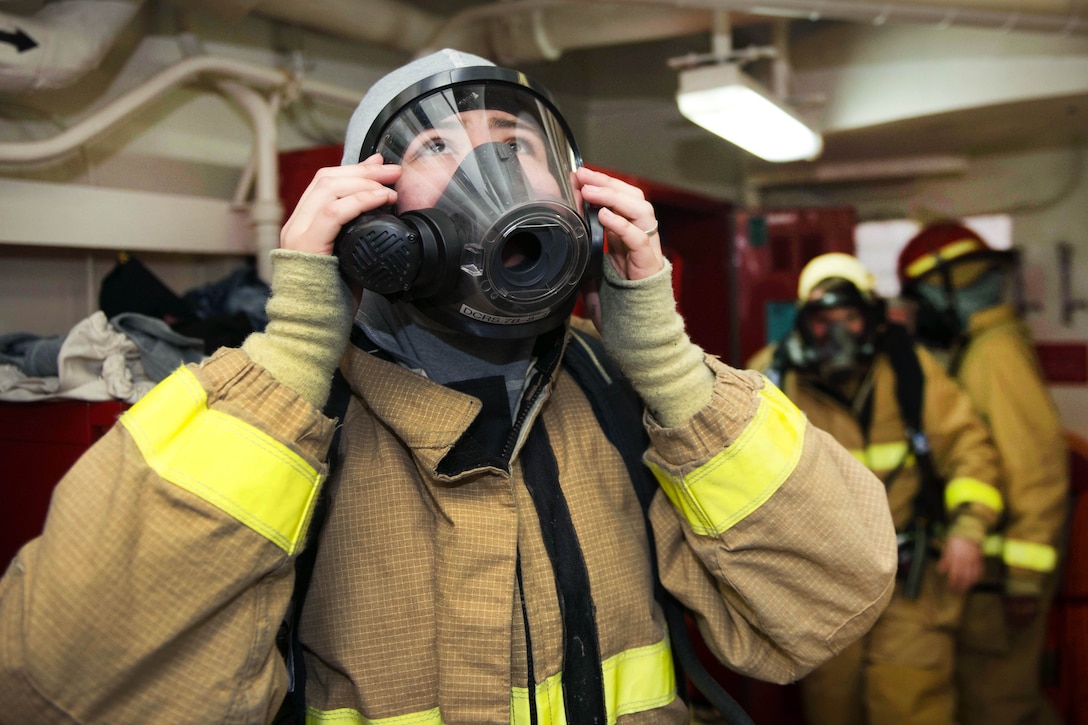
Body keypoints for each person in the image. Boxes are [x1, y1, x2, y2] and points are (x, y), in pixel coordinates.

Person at [0, 50, 898, 724]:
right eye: (434, 145)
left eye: (515, 142)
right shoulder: (276, 420)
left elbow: (834, 594)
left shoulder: (620, 396)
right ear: (369, 214)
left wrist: (663, 358)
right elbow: (67, 680)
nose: (490, 174)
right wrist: (294, 356)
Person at [749, 252, 1005, 725]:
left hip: (908, 583)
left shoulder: (910, 370)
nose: (839, 331)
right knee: (832, 707)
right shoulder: (772, 379)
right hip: (822, 589)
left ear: (871, 318)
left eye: (849, 316)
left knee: (909, 703)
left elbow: (969, 448)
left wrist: (970, 528)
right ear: (803, 322)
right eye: (824, 320)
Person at [898, 222, 1069, 725]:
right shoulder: (986, 344)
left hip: (1005, 577)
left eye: (922, 301)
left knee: (999, 704)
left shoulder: (993, 355)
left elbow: (1037, 472)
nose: (921, 316)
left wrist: (1022, 579)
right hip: (993, 574)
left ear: (950, 291)